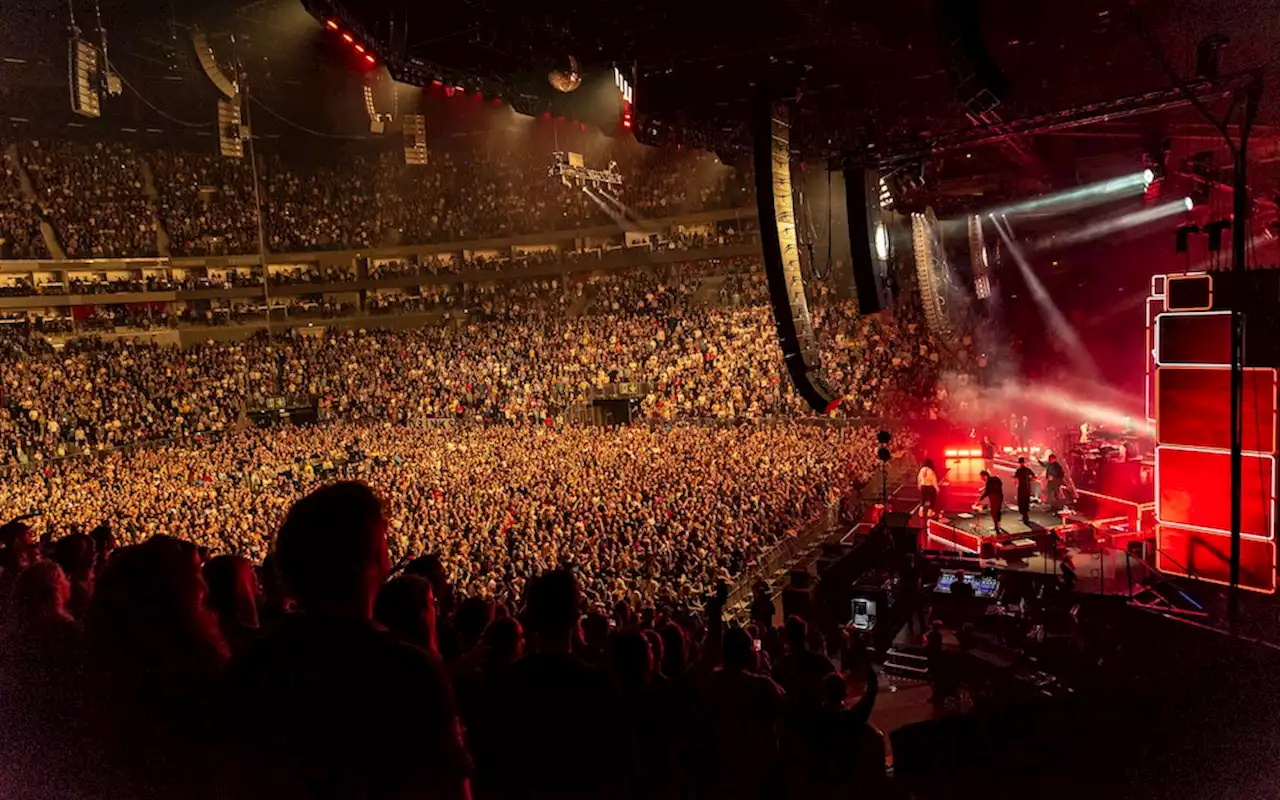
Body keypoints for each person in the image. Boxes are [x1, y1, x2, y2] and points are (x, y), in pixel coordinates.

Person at [226, 481, 471, 800]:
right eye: (383, 538)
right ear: (372, 558)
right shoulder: (406, 672)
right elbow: (451, 789)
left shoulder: (250, 665)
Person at [1013, 457, 1036, 526]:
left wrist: (1016, 484)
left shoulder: (1018, 470)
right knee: (1026, 502)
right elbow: (1034, 477)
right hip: (1027, 488)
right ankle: (1026, 517)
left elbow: (1015, 480)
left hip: (1021, 488)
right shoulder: (1028, 470)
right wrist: (1030, 480)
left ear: (1019, 463)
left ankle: (1024, 516)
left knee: (1021, 502)